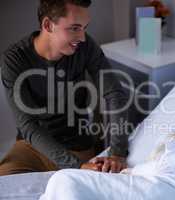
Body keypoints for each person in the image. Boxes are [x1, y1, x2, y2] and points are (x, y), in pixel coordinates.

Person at [39, 77, 175, 200]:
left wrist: (131, 172)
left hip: (166, 191)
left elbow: (168, 165)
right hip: (169, 191)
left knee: (65, 179)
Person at [0, 0, 129, 176]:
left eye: (84, 28)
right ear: (48, 25)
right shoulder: (14, 60)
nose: (82, 37)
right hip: (30, 147)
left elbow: (114, 94)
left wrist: (118, 153)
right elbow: (28, 125)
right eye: (75, 28)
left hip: (75, 145)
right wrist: (75, 166)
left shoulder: (85, 46)